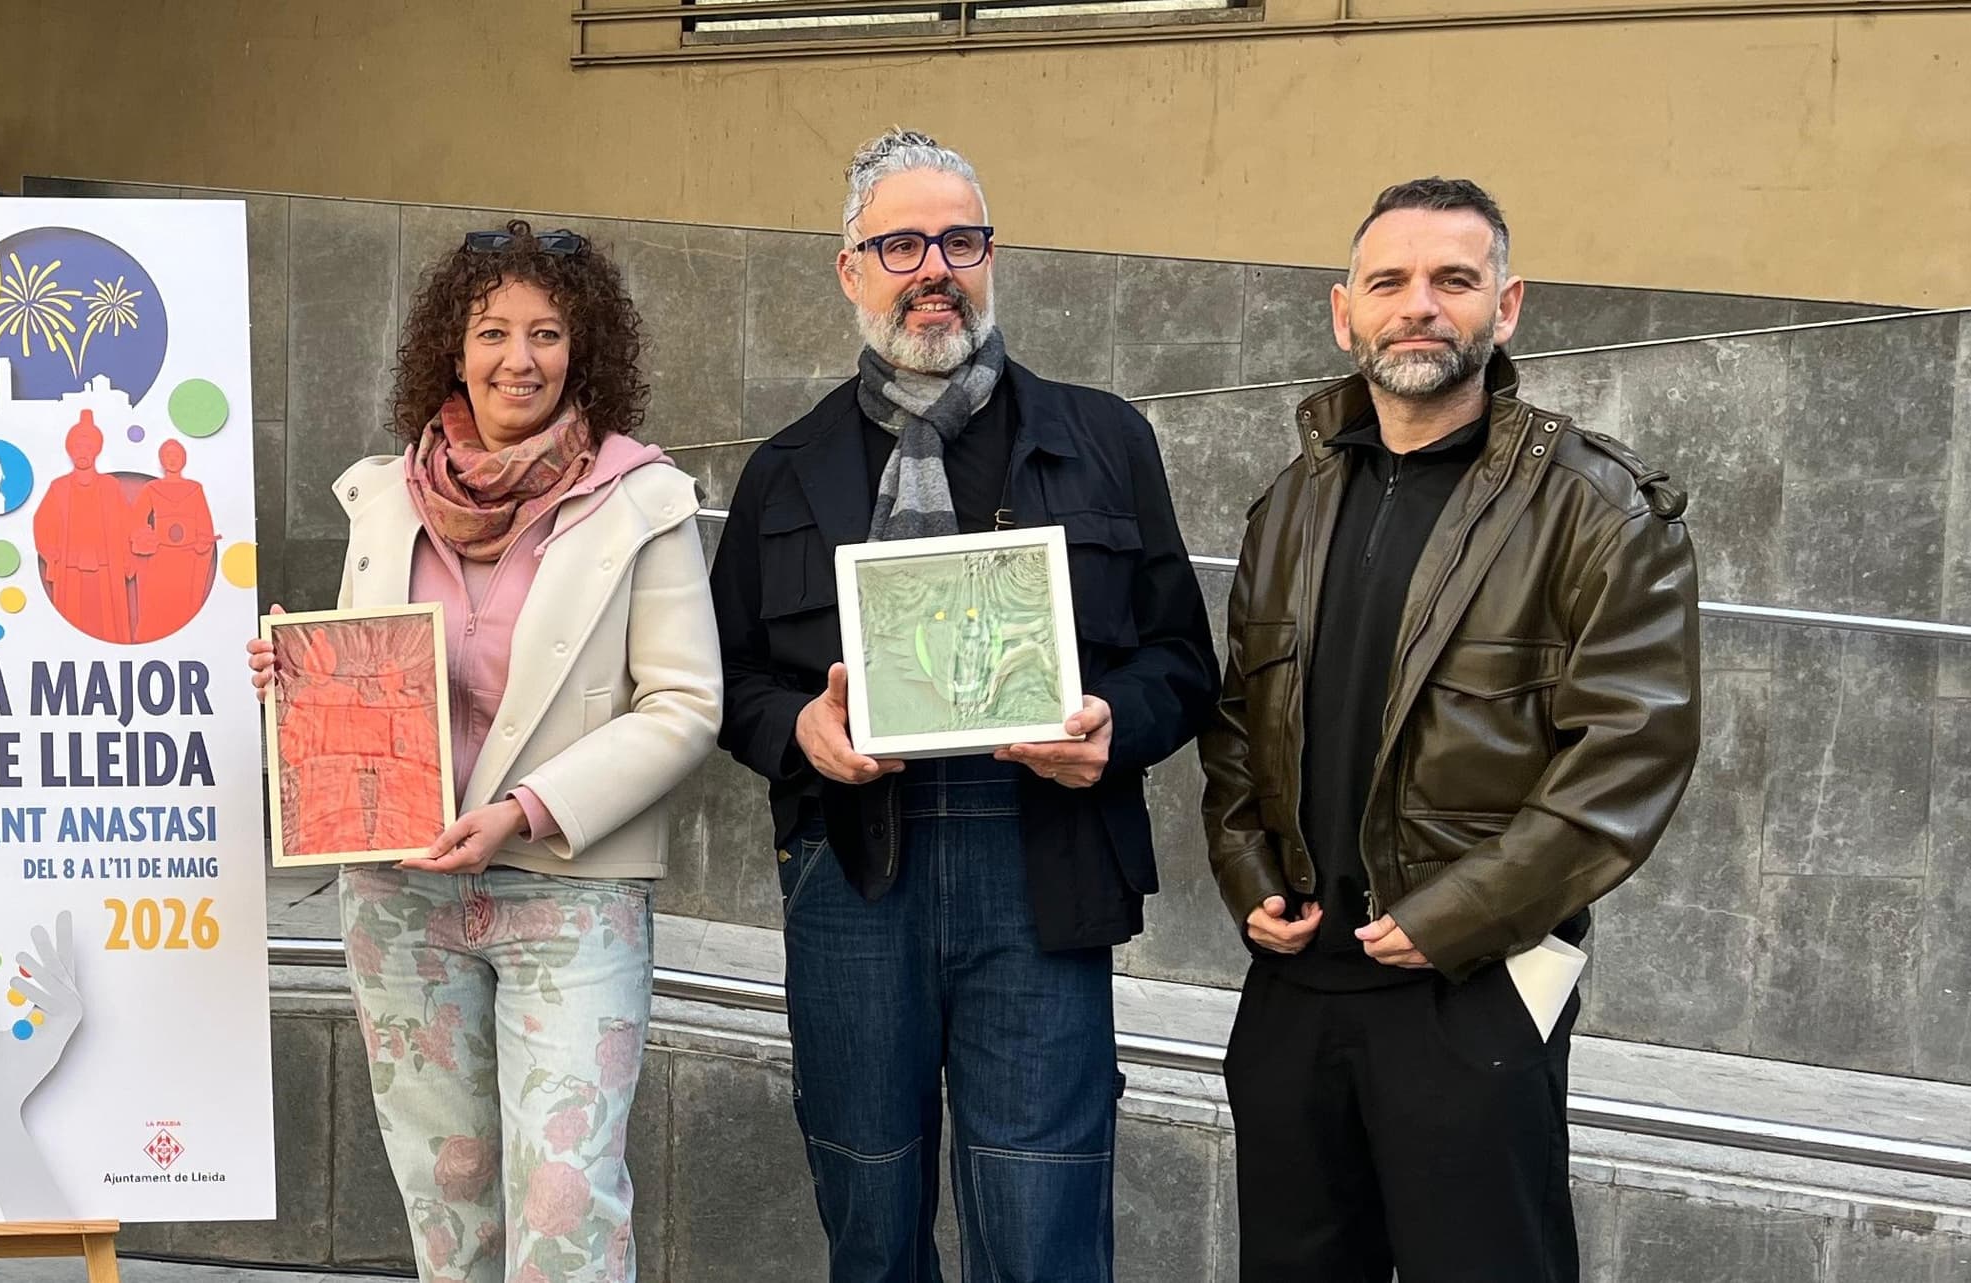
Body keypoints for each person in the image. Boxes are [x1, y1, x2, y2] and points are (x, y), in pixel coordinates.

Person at [708, 129, 1216, 1283]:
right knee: (871, 1213)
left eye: (960, 240)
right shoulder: (785, 470)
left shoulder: (1104, 440)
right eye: (901, 244)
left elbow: (1184, 658)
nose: (934, 267)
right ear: (850, 269)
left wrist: (1110, 727)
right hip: (851, 868)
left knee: (1043, 1221)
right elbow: (727, 677)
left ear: (992, 257)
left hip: (1046, 862)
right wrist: (798, 729)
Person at [1200, 177, 1701, 1283]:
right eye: (1389, 281)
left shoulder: (1597, 510)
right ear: (1346, 313)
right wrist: (1246, 875)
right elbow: (1237, 724)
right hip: (1294, 997)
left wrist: (1453, 917)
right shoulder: (1288, 505)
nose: (1419, 305)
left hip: (1468, 998)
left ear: (1505, 307)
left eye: (1454, 280)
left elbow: (1631, 756)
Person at [245, 220, 723, 1282]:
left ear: (581, 350)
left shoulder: (642, 501)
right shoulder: (383, 497)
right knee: (448, 1195)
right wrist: (299, 679)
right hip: (400, 890)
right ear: (452, 351)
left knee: (566, 1197)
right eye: (492, 331)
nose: (519, 357)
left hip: (569, 889)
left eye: (546, 332)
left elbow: (686, 704)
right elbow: (374, 682)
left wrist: (525, 809)